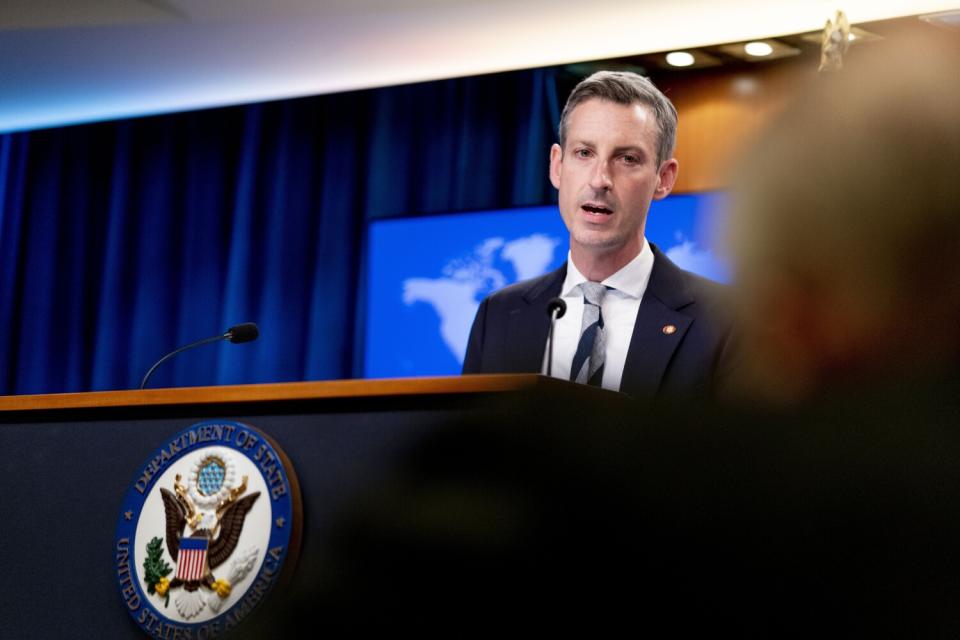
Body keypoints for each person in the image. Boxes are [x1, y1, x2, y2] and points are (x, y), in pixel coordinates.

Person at [462, 71, 735, 401]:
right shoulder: (499, 315)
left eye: (627, 158)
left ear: (663, 178)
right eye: (584, 153)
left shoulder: (726, 322)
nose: (600, 179)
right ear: (557, 166)